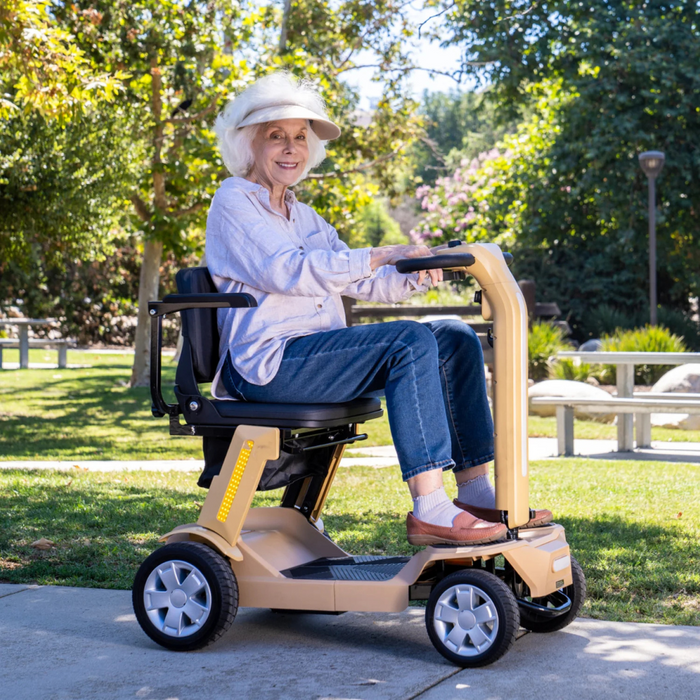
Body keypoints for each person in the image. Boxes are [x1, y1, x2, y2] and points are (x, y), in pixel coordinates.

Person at [206, 72, 551, 546]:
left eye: (299, 138)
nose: (290, 148)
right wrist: (377, 254)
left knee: (452, 336)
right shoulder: (233, 201)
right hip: (267, 364)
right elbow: (289, 271)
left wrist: (415, 270)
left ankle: (475, 490)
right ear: (250, 144)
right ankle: (430, 507)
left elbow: (365, 279)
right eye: (276, 136)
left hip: (316, 356)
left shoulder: (304, 216)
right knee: (407, 339)